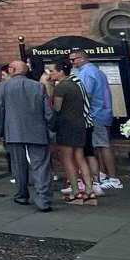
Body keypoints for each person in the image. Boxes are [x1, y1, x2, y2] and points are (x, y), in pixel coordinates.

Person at [0, 61, 53, 211]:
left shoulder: (1, 88)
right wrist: (51, 128)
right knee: (41, 167)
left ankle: (22, 196)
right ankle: (43, 200)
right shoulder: (38, 86)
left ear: (12, 70)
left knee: (18, 166)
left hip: (13, 131)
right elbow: (48, 112)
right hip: (37, 131)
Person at [43, 57, 96, 205]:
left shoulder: (62, 87)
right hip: (80, 124)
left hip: (66, 126)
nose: (49, 73)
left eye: (52, 71)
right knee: (80, 157)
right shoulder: (75, 84)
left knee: (67, 159)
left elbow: (57, 108)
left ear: (61, 71)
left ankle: (74, 191)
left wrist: (50, 87)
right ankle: (89, 190)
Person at [71, 48, 122, 190]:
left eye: (73, 59)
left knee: (102, 146)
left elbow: (86, 93)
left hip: (95, 113)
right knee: (98, 146)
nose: (72, 62)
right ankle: (103, 174)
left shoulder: (86, 73)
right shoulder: (98, 71)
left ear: (82, 58)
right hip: (103, 112)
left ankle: (113, 178)